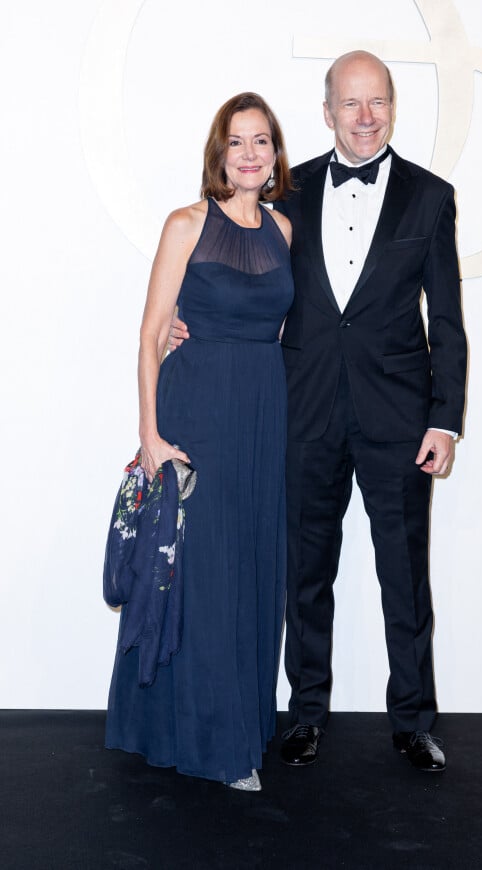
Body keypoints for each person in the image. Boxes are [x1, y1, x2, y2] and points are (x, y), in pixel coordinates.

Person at [172, 51, 467, 773]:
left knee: (404, 571)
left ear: (391, 107)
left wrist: (445, 418)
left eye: (377, 103)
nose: (364, 118)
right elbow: (249, 285)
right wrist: (189, 325)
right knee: (305, 571)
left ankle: (412, 721)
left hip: (399, 416)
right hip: (300, 412)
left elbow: (449, 320)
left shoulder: (430, 196)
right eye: (350, 104)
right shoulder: (288, 196)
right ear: (328, 109)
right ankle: (306, 715)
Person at [105, 92, 294, 792]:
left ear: (275, 156)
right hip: (197, 412)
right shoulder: (186, 223)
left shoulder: (283, 230)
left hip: (261, 414)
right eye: (237, 142)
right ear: (218, 154)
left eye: (262, 142)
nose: (250, 154)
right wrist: (150, 435)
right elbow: (153, 334)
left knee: (251, 569)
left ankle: (235, 719)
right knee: (204, 575)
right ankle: (220, 745)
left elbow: (278, 329)